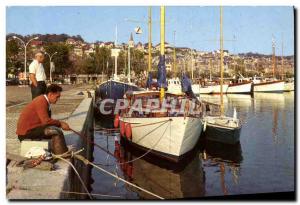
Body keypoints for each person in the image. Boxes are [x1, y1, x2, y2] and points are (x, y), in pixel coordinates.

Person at [16, 84, 70, 154]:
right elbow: (46, 121)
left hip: (31, 129)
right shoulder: (41, 101)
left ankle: (56, 149)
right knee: (56, 131)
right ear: (50, 94)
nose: (58, 99)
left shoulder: (44, 100)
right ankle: (61, 153)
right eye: (57, 97)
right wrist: (60, 123)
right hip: (25, 133)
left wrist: (59, 124)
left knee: (54, 128)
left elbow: (46, 121)